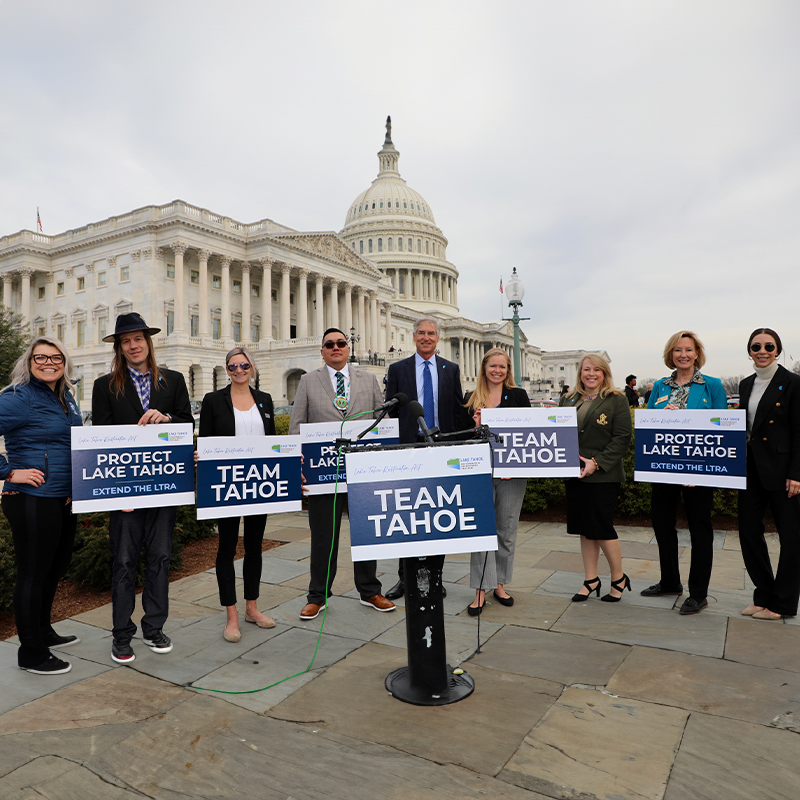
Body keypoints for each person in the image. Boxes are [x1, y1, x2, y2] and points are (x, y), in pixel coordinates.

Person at [92, 312, 193, 664]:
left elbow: (187, 424)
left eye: (138, 339)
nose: (133, 345)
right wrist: (120, 490)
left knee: (160, 558)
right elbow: (101, 439)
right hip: (126, 489)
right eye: (126, 341)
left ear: (148, 343)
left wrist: (166, 419)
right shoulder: (105, 385)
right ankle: (122, 634)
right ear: (119, 348)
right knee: (123, 561)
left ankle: (154, 626)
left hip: (164, 485)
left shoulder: (174, 380)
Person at [288, 328, 396, 620]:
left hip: (362, 472)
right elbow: (297, 425)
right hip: (323, 474)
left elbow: (379, 423)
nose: (336, 348)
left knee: (366, 532)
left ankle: (370, 590)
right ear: (321, 351)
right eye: (329, 345)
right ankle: (317, 595)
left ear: (348, 348)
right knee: (323, 536)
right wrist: (295, 464)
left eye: (341, 343)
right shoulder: (309, 381)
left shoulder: (368, 379)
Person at [0, 337, 82, 675]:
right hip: (31, 499)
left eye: (56, 357)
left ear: (65, 362)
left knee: (55, 566)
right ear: (29, 362)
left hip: (61, 497)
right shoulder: (18, 397)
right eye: (40, 357)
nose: (49, 362)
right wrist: (10, 471)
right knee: (33, 573)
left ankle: (43, 631)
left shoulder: (66, 398)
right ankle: (31, 652)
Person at [641, 332, 727, 614]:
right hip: (664, 466)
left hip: (698, 469)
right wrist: (660, 413)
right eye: (678, 350)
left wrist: (701, 470)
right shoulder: (659, 386)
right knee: (662, 524)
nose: (683, 355)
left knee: (700, 528)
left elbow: (721, 427)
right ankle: (670, 581)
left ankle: (698, 593)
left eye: (689, 350)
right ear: (671, 354)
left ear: (696, 353)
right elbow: (648, 426)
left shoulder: (712, 385)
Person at [199, 347, 277, 642]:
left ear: (252, 367)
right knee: (227, 549)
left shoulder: (265, 400)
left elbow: (272, 443)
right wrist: (200, 456)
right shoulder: (213, 400)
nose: (239, 370)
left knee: (255, 547)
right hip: (227, 484)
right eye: (233, 366)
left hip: (259, 484)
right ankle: (231, 615)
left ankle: (252, 608)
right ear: (227, 370)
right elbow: (205, 440)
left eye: (244, 365)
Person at [383, 316, 464, 599]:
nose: (426, 337)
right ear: (414, 336)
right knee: (406, 515)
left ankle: (435, 577)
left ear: (437, 338)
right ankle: (405, 578)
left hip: (441, 448)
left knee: (438, 515)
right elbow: (391, 413)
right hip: (409, 448)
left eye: (431, 333)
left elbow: (456, 410)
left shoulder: (450, 369)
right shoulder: (398, 369)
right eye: (421, 333)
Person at [737, 328, 800, 620]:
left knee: (791, 538)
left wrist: (796, 474)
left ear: (777, 349)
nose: (762, 351)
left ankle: (783, 603)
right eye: (756, 346)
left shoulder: (792, 383)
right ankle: (763, 594)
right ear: (749, 350)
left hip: (784, 472)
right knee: (749, 531)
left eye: (768, 346)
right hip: (751, 470)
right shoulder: (746, 384)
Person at [462, 348, 530, 614]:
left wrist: (518, 463)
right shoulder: (471, 399)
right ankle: (480, 589)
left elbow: (528, 433)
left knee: (507, 529)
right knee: (481, 531)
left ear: (508, 369)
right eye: (493, 366)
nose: (497, 371)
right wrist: (476, 426)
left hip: (511, 474)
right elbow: (462, 441)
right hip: (479, 471)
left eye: (502, 366)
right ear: (484, 367)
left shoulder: (518, 396)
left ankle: (500, 583)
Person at [560, 355, 632, 602]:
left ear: (604, 373)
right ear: (580, 372)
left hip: (603, 475)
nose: (591, 374)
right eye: (586, 369)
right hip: (575, 474)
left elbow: (622, 437)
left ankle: (618, 577)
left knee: (601, 528)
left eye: (596, 370)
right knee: (584, 529)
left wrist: (597, 463)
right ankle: (591, 580)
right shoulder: (568, 399)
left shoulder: (616, 400)